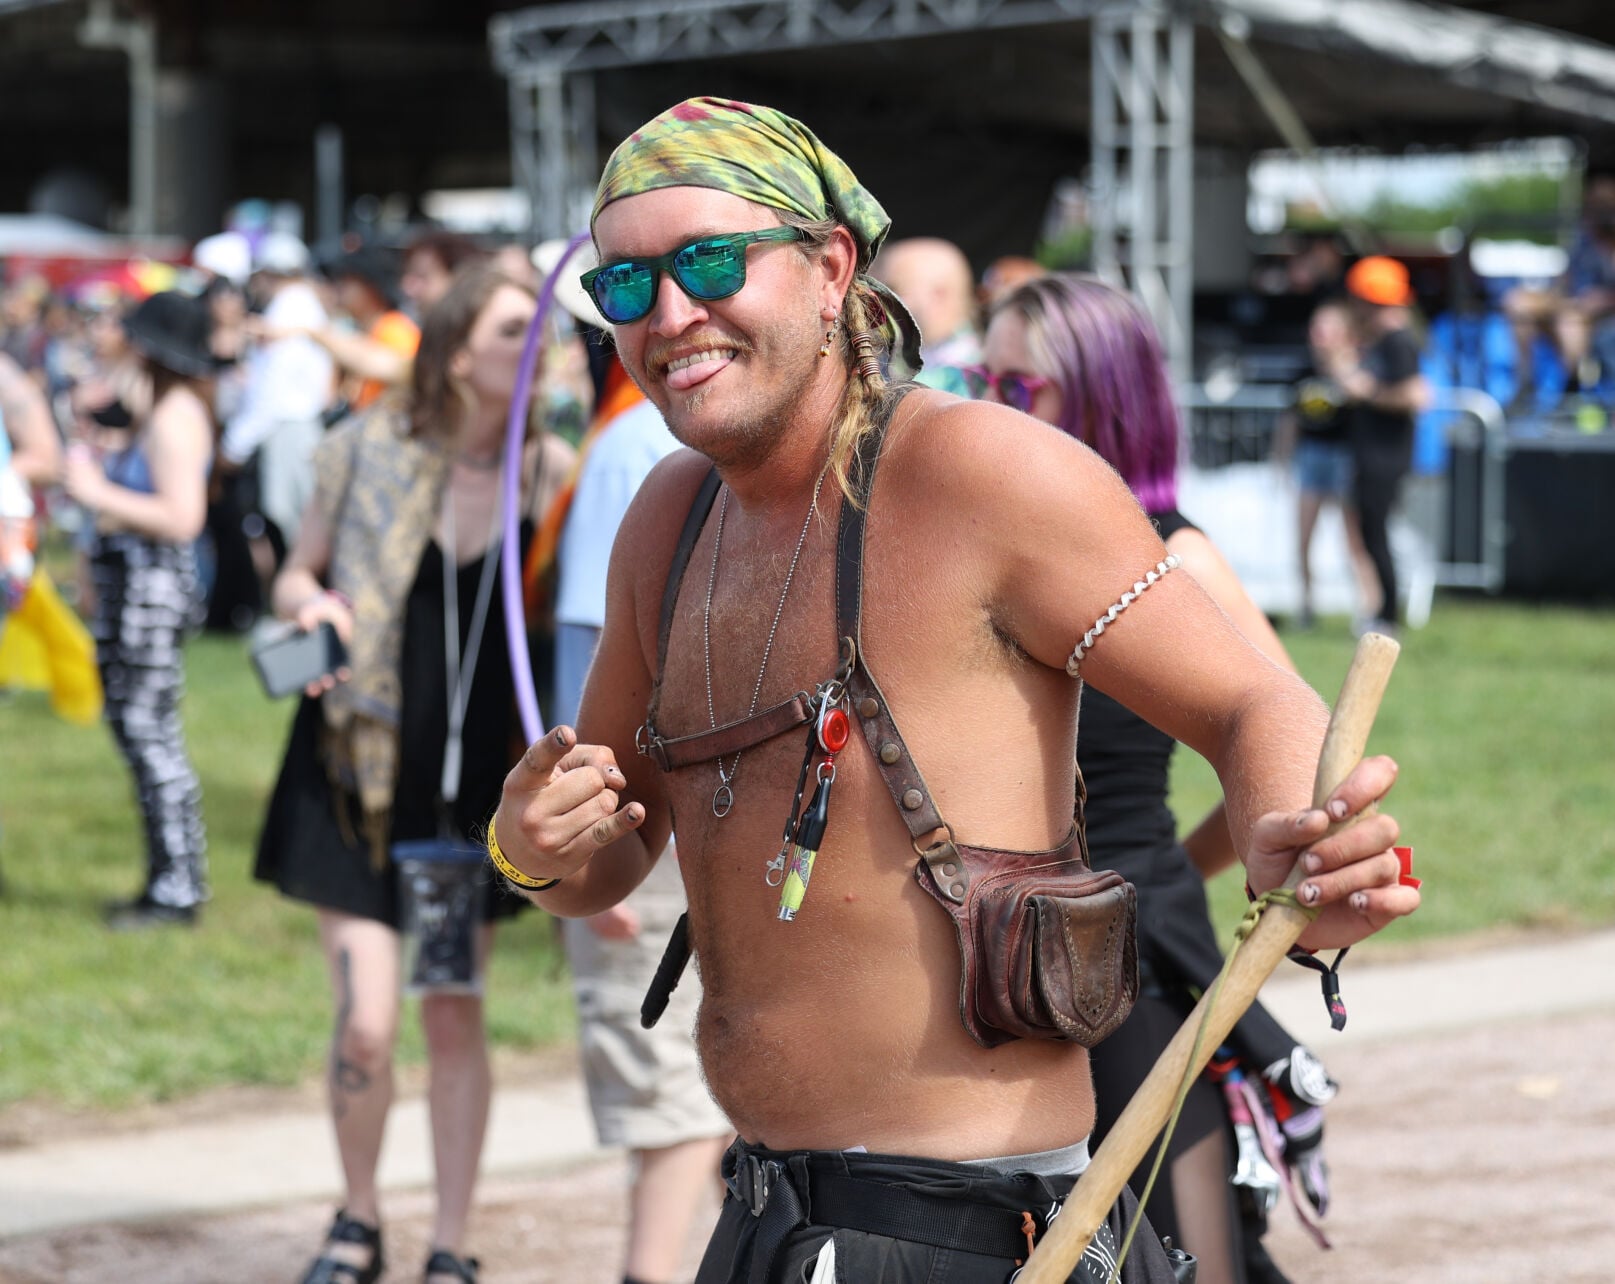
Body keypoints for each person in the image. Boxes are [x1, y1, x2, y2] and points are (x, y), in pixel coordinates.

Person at [487, 98, 1418, 1284]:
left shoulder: (978, 473)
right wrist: (530, 849)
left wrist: (1300, 848)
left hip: (980, 1236)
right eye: (625, 288)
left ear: (829, 270)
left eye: (712, 263)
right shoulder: (664, 523)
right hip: (766, 1214)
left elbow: (1255, 702)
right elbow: (610, 854)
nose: (671, 315)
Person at [980, 274, 1343, 1284]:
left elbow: (1302, 742)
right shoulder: (982, 553)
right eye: (983, 378)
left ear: (1101, 397)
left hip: (1126, 954)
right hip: (988, 959)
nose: (991, 404)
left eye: (1023, 386)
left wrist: (1183, 867)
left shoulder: (1174, 558)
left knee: (1182, 1257)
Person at [253, 265, 573, 1284]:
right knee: (367, 1017)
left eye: (541, 332)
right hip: (355, 769)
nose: (534, 348)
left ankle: (451, 1240)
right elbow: (297, 570)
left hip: (472, 794)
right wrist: (307, 607)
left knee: (453, 1012)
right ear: (449, 346)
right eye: (510, 329)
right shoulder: (365, 448)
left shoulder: (548, 472)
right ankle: (355, 1220)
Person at [541, 246, 732, 1284]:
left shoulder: (638, 442)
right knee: (676, 1091)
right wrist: (596, 838)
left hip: (661, 814)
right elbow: (592, 656)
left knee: (688, 1096)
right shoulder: (641, 453)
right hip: (645, 816)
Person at [61, 291, 215, 929]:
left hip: (150, 591)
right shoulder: (162, 406)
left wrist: (96, 491)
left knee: (152, 738)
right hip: (135, 590)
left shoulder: (174, 415)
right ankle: (166, 880)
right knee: (141, 733)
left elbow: (183, 518)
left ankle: (176, 889)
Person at [1338, 256, 1430, 635]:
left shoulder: (1398, 341)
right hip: (1373, 454)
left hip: (1385, 456)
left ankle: (1388, 614)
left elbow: (1416, 396)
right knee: (1371, 532)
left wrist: (1367, 391)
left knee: (1377, 533)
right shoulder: (1386, 340)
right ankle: (1382, 609)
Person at [1279, 299, 1377, 629]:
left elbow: (1362, 395)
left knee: (1353, 540)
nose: (1318, 336)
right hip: (1311, 456)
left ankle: (1367, 609)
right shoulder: (1303, 370)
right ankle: (1306, 606)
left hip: (1344, 457)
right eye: (1316, 329)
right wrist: (1280, 459)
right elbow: (1290, 419)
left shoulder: (1357, 367)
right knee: (1303, 537)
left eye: (1326, 329)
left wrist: (1339, 366)